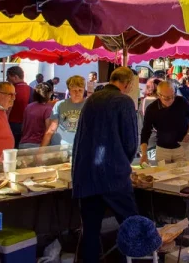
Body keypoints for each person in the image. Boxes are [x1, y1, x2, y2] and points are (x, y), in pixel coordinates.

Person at [72, 67, 139, 263]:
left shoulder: (92, 99)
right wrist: (124, 163)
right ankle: (134, 259)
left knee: (90, 230)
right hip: (113, 174)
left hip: (86, 173)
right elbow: (130, 142)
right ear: (127, 84)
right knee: (131, 223)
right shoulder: (124, 101)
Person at [140, 81, 189, 164]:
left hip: (182, 148)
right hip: (162, 150)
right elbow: (145, 131)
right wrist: (144, 154)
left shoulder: (181, 101)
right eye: (166, 98)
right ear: (159, 95)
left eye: (172, 96)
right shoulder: (152, 109)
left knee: (184, 175)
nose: (170, 100)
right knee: (162, 176)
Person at [41, 76, 86, 147]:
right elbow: (51, 128)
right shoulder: (60, 105)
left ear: (84, 90)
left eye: (80, 90)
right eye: (74, 90)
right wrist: (42, 149)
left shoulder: (90, 105)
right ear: (69, 91)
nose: (77, 93)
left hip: (80, 146)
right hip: (60, 146)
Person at [19, 83, 54, 149]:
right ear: (49, 93)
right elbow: (49, 130)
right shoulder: (48, 109)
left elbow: (23, 127)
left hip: (23, 143)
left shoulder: (28, 106)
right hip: (38, 145)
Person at [6, 66, 33, 146]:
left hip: (13, 125)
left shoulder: (11, 91)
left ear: (15, 77)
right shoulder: (32, 90)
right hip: (28, 126)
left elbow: (7, 111)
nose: (7, 80)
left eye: (8, 77)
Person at [0, 82, 16, 163]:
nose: (14, 98)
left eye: (15, 94)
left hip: (1, 165)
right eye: (11, 94)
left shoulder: (2, 111)